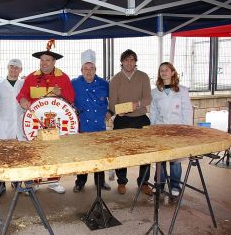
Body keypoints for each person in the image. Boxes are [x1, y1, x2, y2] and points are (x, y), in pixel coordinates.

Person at [16, 40, 75, 194]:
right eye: (42, 60)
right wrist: (23, 100)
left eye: (48, 60)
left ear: (54, 61)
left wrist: (61, 93)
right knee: (35, 152)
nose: (44, 63)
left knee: (55, 152)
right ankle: (35, 181)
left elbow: (71, 98)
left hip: (56, 124)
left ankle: (53, 182)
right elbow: (22, 95)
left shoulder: (63, 77)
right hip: (36, 122)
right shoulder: (30, 77)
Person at [109, 49, 153, 196]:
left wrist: (138, 104)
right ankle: (122, 182)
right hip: (122, 120)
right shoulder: (115, 79)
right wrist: (117, 111)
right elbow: (113, 103)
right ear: (121, 62)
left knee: (145, 151)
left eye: (132, 60)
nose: (129, 63)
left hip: (141, 118)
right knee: (121, 152)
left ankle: (144, 182)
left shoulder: (143, 77)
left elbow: (148, 98)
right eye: (126, 60)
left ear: (135, 62)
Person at [150, 62, 193, 197]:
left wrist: (187, 129)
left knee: (175, 160)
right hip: (160, 129)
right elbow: (153, 112)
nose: (164, 72)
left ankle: (175, 185)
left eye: (166, 70)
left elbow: (187, 111)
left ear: (173, 72)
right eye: (161, 70)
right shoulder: (155, 92)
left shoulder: (182, 91)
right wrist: (152, 128)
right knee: (160, 159)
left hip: (177, 130)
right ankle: (160, 184)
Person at [71, 49, 111, 192]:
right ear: (81, 70)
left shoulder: (104, 83)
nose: (88, 72)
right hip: (82, 125)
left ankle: (100, 182)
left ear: (95, 69)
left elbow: (113, 100)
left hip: (99, 126)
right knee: (82, 156)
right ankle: (80, 182)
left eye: (91, 68)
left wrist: (110, 111)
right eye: (85, 69)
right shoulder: (74, 83)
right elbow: (67, 99)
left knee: (100, 155)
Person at [0, 59, 26, 141]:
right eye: (11, 67)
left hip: (19, 123)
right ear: (7, 67)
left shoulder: (23, 83)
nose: (13, 70)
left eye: (16, 68)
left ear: (21, 70)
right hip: (4, 124)